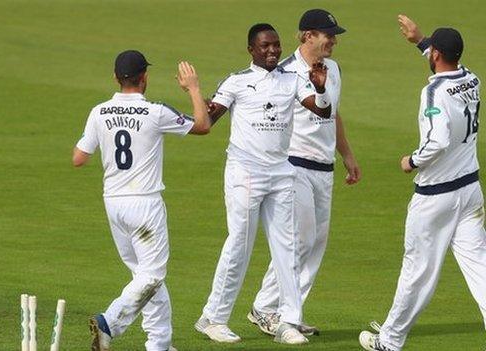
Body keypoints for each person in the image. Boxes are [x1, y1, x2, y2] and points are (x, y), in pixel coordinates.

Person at [195, 23, 332, 345]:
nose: (272, 51)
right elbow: (207, 122)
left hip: (281, 172)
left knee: (288, 247)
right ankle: (213, 318)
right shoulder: (237, 81)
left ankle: (288, 321)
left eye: (276, 45)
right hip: (245, 173)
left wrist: (322, 88)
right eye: (264, 46)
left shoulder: (293, 79)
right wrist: (193, 90)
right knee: (240, 244)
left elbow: (322, 112)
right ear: (251, 50)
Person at [359, 15, 486, 351]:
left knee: (418, 271)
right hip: (471, 192)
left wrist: (411, 161)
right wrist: (420, 41)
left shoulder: (433, 92)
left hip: (436, 196)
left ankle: (390, 339)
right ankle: (391, 331)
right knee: (481, 267)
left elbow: (437, 141)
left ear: (435, 55)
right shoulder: (472, 79)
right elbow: (447, 65)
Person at [74, 50, 210, 351]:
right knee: (151, 275)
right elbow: (203, 125)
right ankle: (109, 322)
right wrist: (194, 89)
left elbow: (79, 158)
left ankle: (159, 343)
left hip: (114, 203)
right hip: (145, 204)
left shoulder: (99, 111)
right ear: (144, 77)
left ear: (115, 78)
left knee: (144, 276)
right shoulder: (155, 111)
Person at [249, 9, 361, 337]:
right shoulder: (283, 73)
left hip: (324, 169)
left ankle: (290, 312)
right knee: (300, 240)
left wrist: (347, 155)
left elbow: (333, 114)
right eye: (328, 34)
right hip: (293, 165)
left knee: (316, 244)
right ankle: (267, 308)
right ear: (308, 35)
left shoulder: (334, 69)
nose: (333, 40)